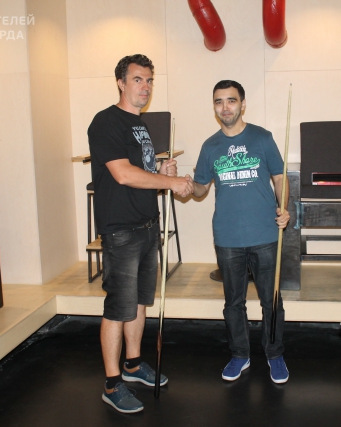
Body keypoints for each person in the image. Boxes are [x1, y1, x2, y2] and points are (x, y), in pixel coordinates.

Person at [88, 54, 193, 413]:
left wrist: (162, 169)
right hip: (121, 230)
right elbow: (123, 174)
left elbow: (142, 170)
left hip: (147, 225)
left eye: (149, 80)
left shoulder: (141, 125)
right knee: (118, 307)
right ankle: (112, 382)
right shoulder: (105, 122)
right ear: (120, 82)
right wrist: (170, 182)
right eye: (137, 79)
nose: (145, 86)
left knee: (139, 303)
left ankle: (132, 364)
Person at [191, 80, 290, 384]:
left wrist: (284, 208)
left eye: (231, 100)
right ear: (214, 107)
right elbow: (199, 189)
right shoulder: (210, 146)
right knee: (233, 303)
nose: (225, 107)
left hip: (265, 233)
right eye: (219, 101)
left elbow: (279, 177)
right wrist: (183, 183)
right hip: (228, 236)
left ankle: (274, 354)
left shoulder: (262, 138)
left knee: (271, 301)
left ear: (242, 104)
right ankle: (239, 354)